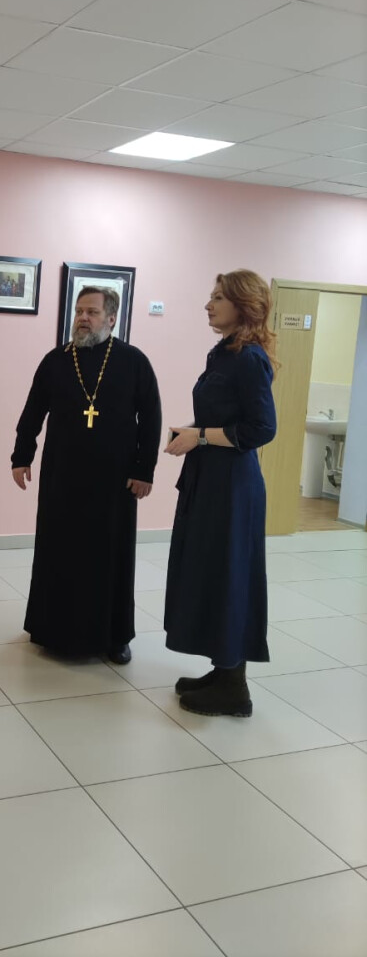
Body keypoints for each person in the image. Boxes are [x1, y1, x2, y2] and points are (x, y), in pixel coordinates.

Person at [12, 287, 162, 662]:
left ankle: (114, 637)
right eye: (79, 311)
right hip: (62, 477)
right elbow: (33, 411)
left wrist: (145, 469)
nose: (82, 318)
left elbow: (151, 418)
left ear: (111, 318)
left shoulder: (133, 361)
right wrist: (21, 456)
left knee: (110, 556)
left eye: (91, 312)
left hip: (115, 481)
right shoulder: (56, 361)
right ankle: (52, 631)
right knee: (59, 552)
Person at [163, 269, 277, 718]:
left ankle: (235, 688)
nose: (208, 305)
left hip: (232, 486)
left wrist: (201, 437)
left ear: (243, 305)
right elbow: (222, 416)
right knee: (211, 571)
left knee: (229, 574)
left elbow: (261, 428)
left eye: (218, 298)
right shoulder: (223, 353)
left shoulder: (249, 359)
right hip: (210, 477)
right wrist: (192, 432)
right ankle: (224, 668)